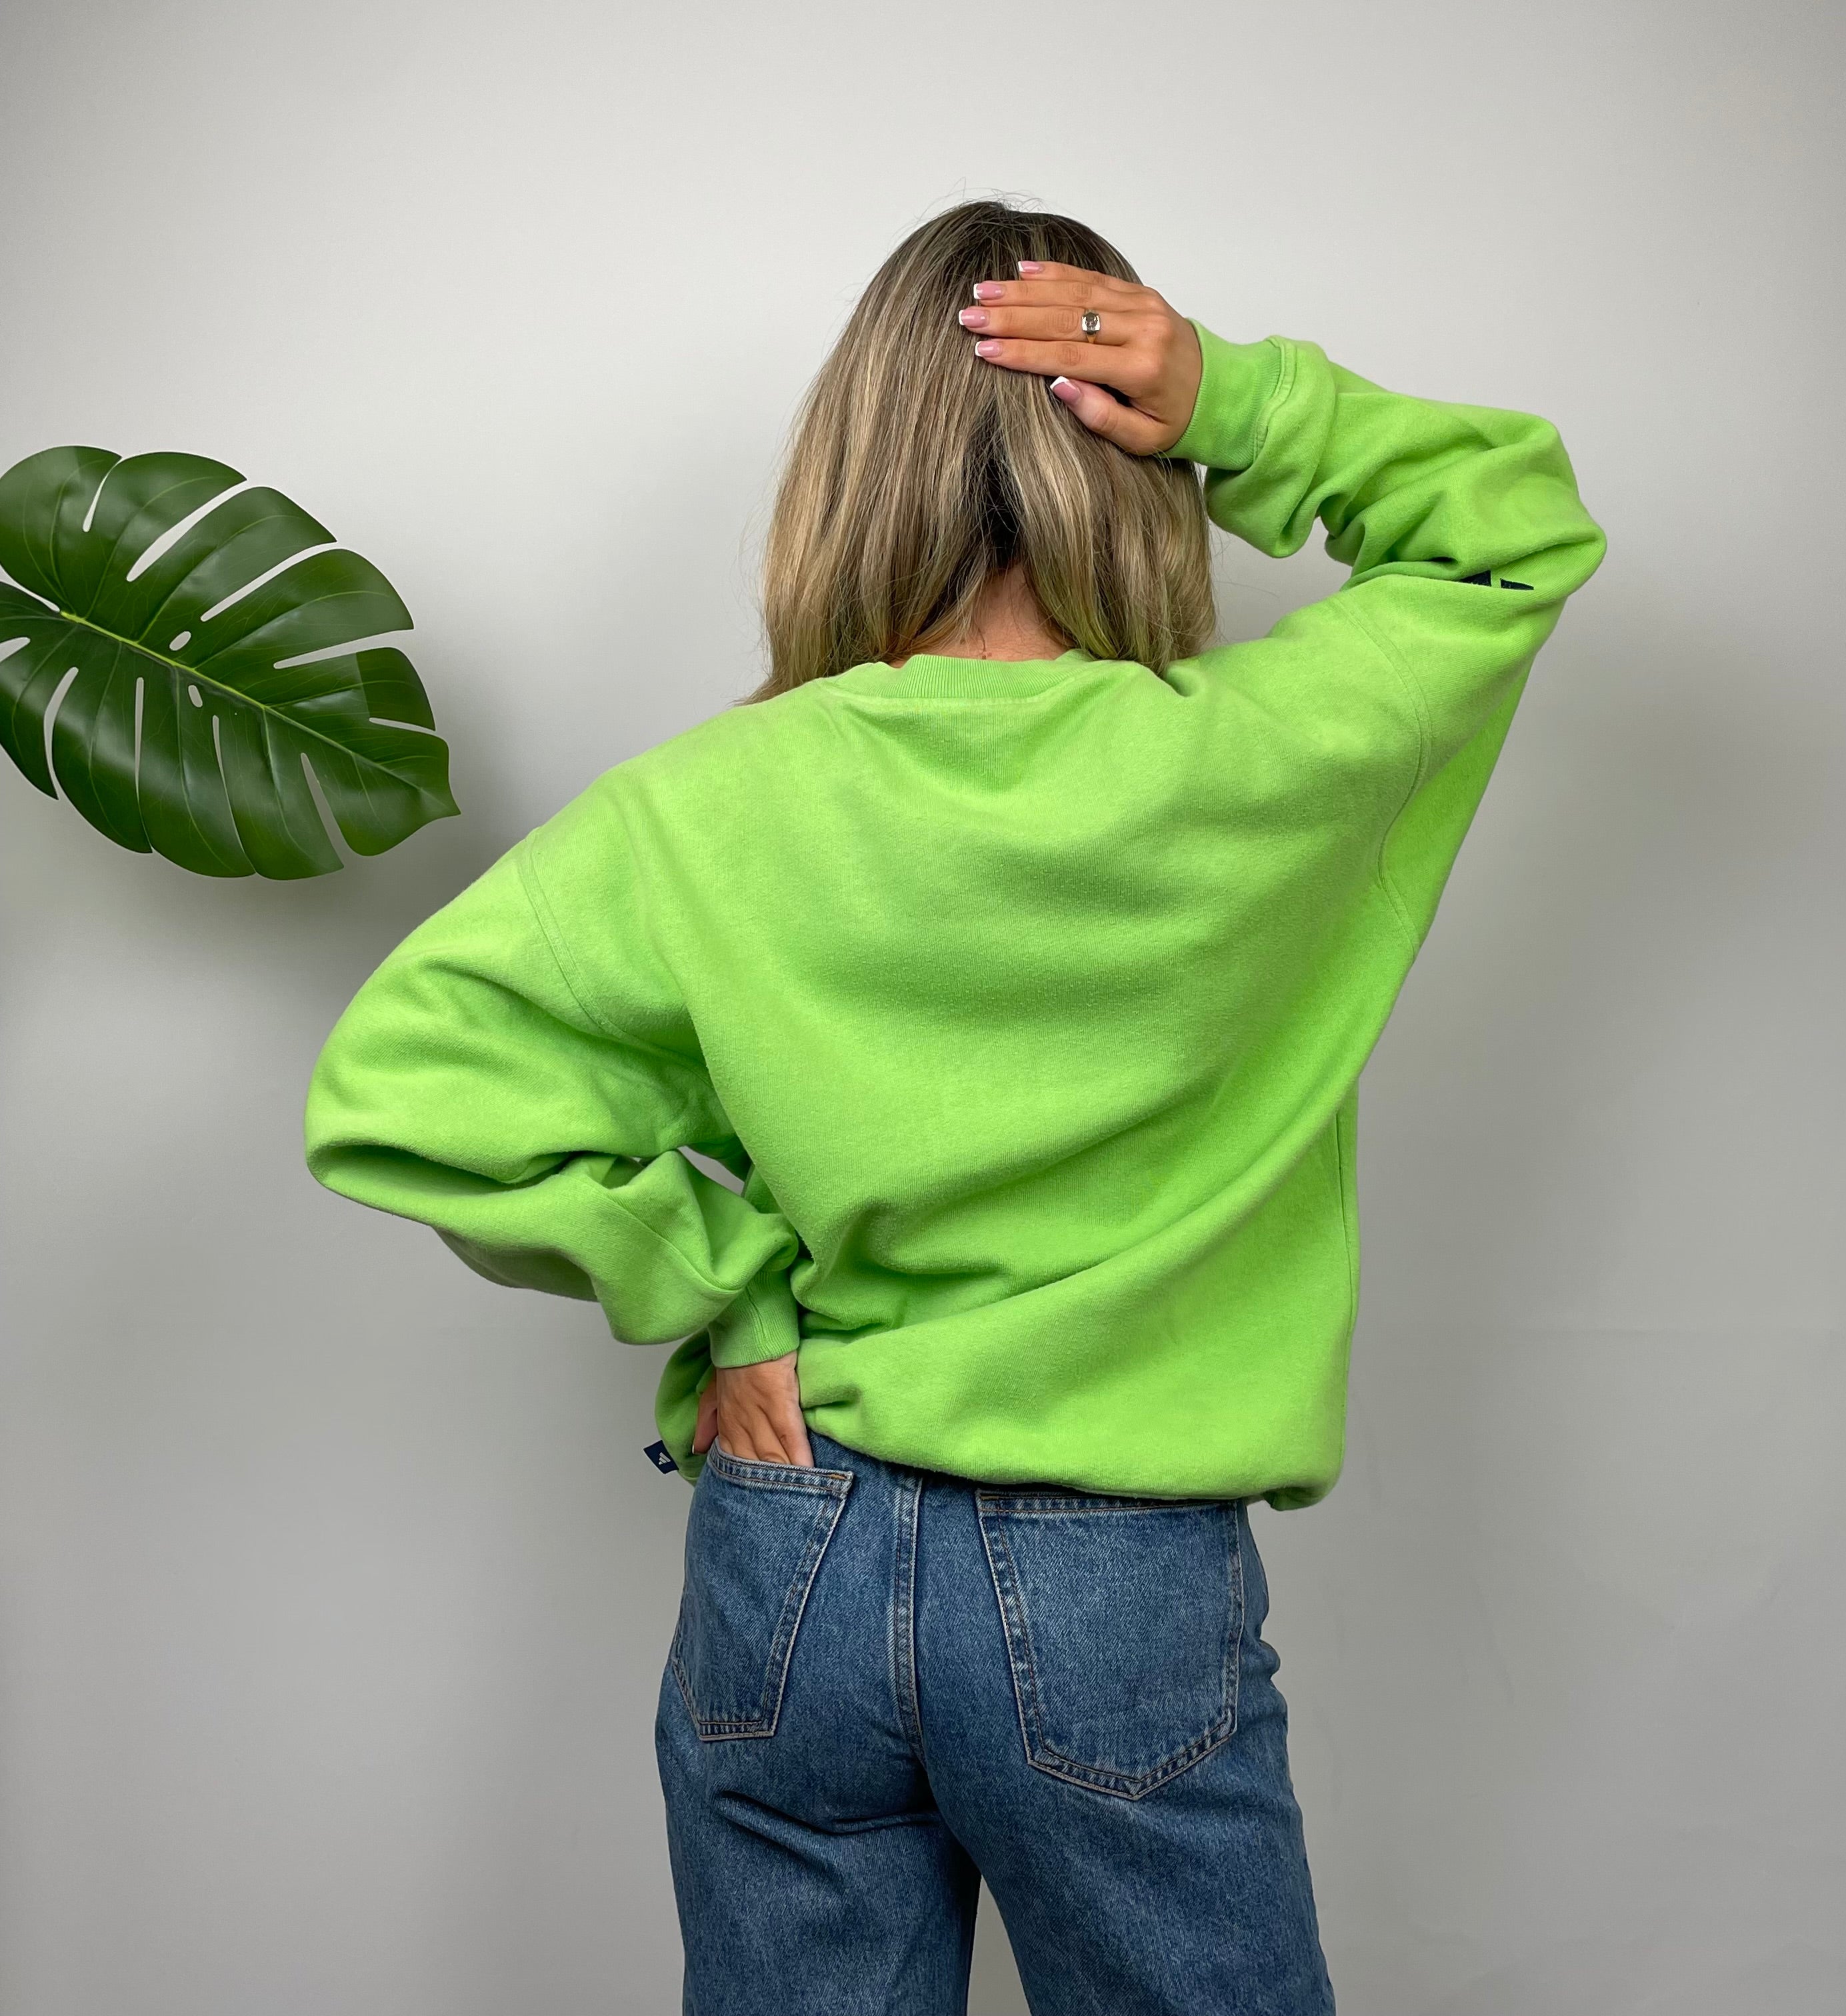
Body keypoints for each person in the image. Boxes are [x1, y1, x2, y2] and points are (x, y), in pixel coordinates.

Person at [303, 199, 1605, 2015]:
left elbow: (411, 1084)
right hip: (1116, 1577)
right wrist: (1231, 395)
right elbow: (1511, 529)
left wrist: (722, 1292)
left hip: (793, 1535)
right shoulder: (1258, 763)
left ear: (857, 469)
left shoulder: (716, 801)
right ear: (1124, 472)